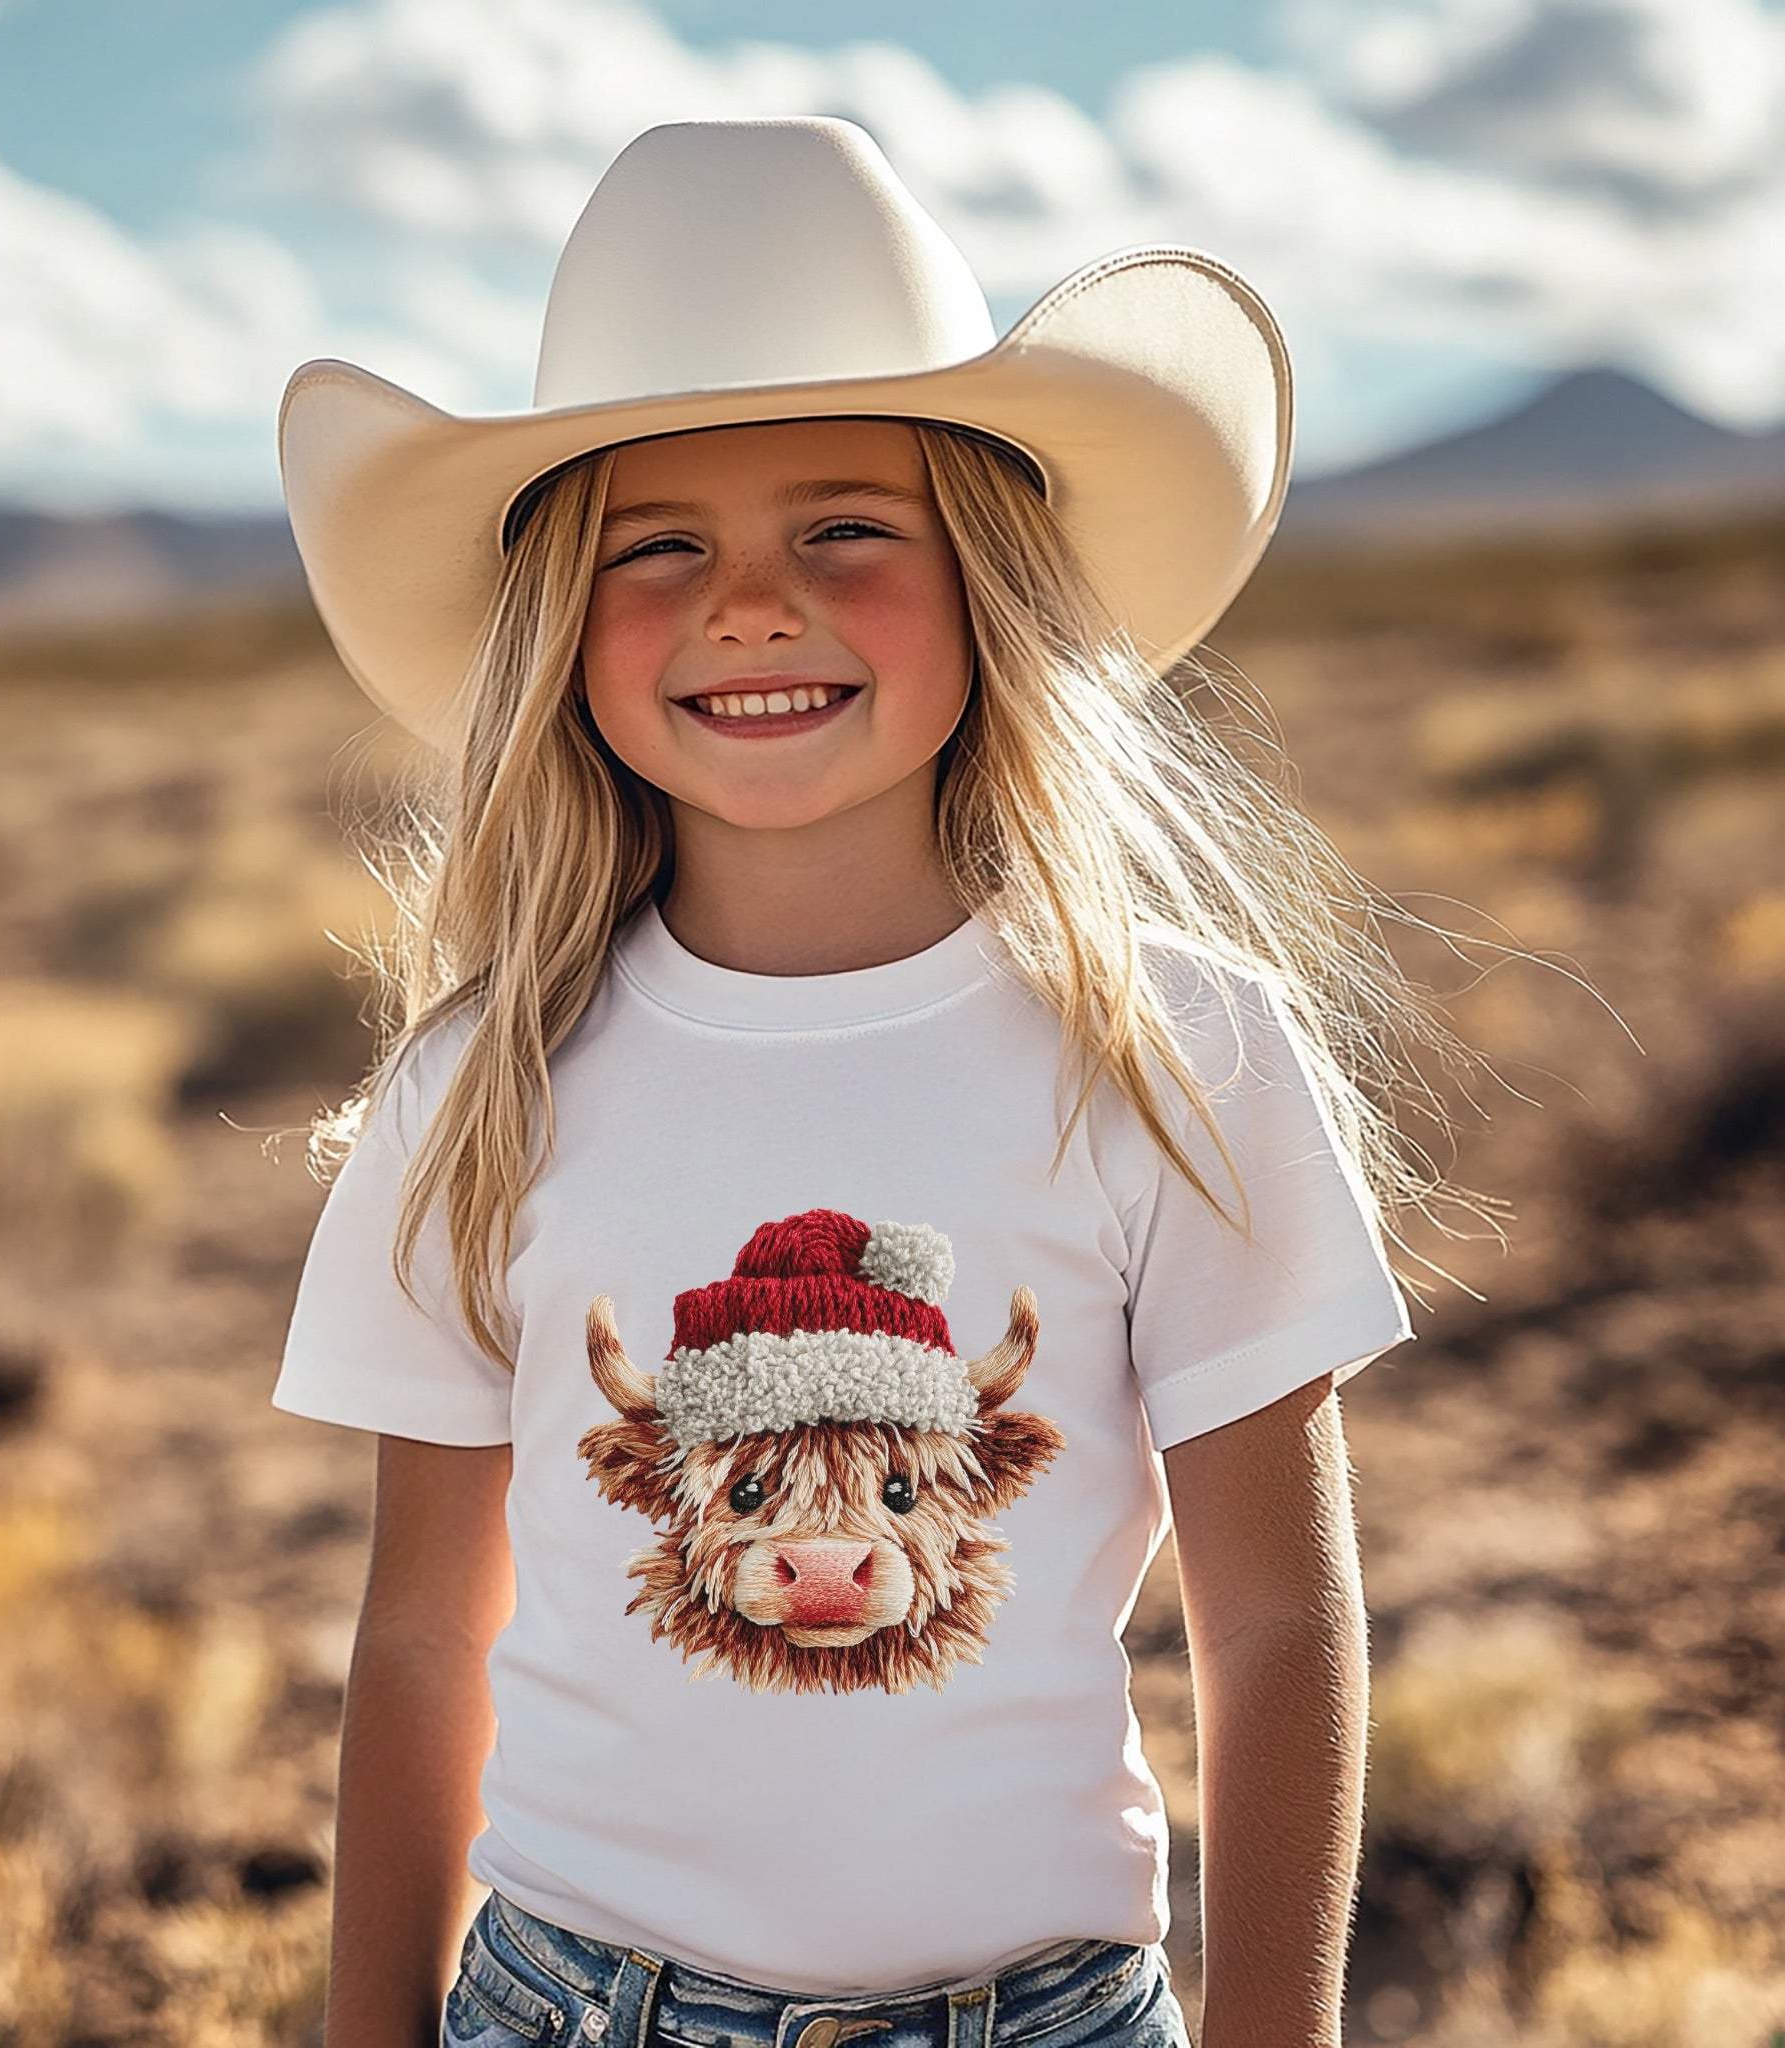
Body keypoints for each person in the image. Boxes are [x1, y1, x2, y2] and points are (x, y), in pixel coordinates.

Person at [269, 116, 1498, 2048]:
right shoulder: (479, 1087)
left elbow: (1274, 1632)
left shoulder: (1177, 1051)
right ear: (563, 633)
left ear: (988, 581)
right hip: (571, 2009)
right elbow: (428, 1633)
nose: (753, 605)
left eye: (847, 527)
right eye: (655, 546)